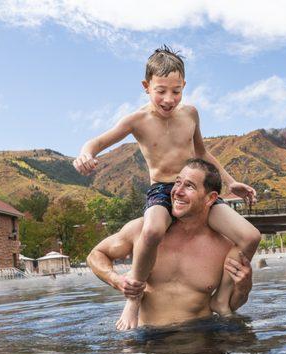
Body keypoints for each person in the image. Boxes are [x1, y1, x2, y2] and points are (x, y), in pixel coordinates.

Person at [74, 46, 261, 329]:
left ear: (184, 86)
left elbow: (203, 155)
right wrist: (86, 154)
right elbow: (97, 142)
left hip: (195, 189)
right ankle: (133, 299)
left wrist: (231, 182)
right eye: (161, 90)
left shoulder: (191, 115)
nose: (168, 99)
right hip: (163, 190)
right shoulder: (137, 120)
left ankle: (222, 300)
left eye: (176, 91)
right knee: (151, 230)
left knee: (250, 235)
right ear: (146, 86)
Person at [87, 159, 254, 329]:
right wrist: (117, 281)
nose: (177, 192)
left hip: (202, 339)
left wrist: (243, 288)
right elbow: (96, 255)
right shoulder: (142, 232)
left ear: (210, 198)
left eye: (189, 186)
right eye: (177, 182)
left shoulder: (224, 247)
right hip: (150, 341)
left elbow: (227, 306)